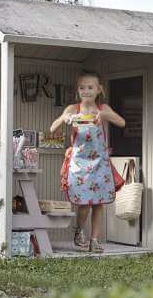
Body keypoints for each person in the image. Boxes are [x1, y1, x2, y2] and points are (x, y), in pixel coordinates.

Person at [50, 71, 125, 253]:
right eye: (82, 87)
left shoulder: (103, 108)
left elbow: (121, 123)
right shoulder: (72, 110)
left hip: (99, 162)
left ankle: (94, 240)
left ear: (99, 89)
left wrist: (105, 116)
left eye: (90, 87)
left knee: (98, 203)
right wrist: (64, 118)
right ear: (78, 90)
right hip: (79, 163)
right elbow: (52, 128)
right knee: (83, 203)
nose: (86, 91)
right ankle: (80, 230)